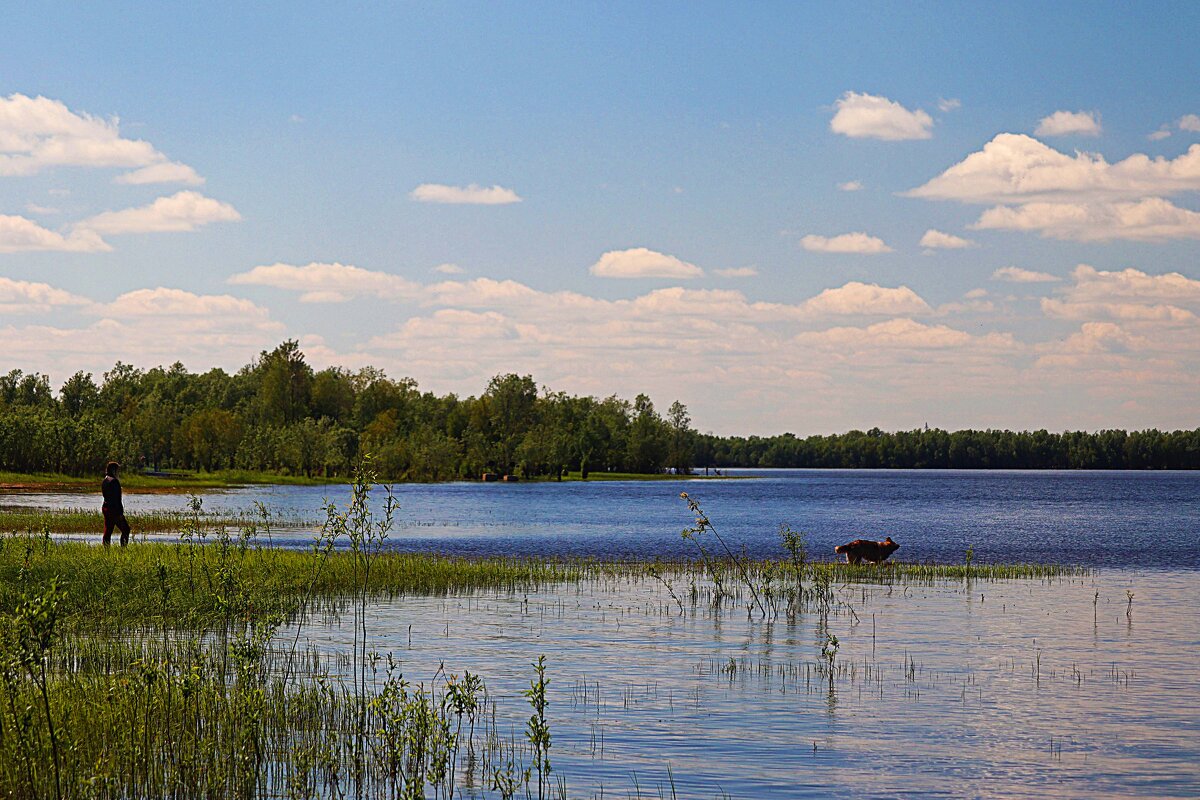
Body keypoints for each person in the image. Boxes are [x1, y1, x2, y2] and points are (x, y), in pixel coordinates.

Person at [101, 461, 131, 547]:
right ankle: (123, 549)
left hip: (106, 507)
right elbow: (117, 499)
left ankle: (106, 551)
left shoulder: (105, 480)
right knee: (126, 529)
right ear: (114, 470)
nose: (118, 472)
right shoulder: (114, 482)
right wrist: (120, 513)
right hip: (114, 509)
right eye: (118, 470)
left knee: (108, 530)